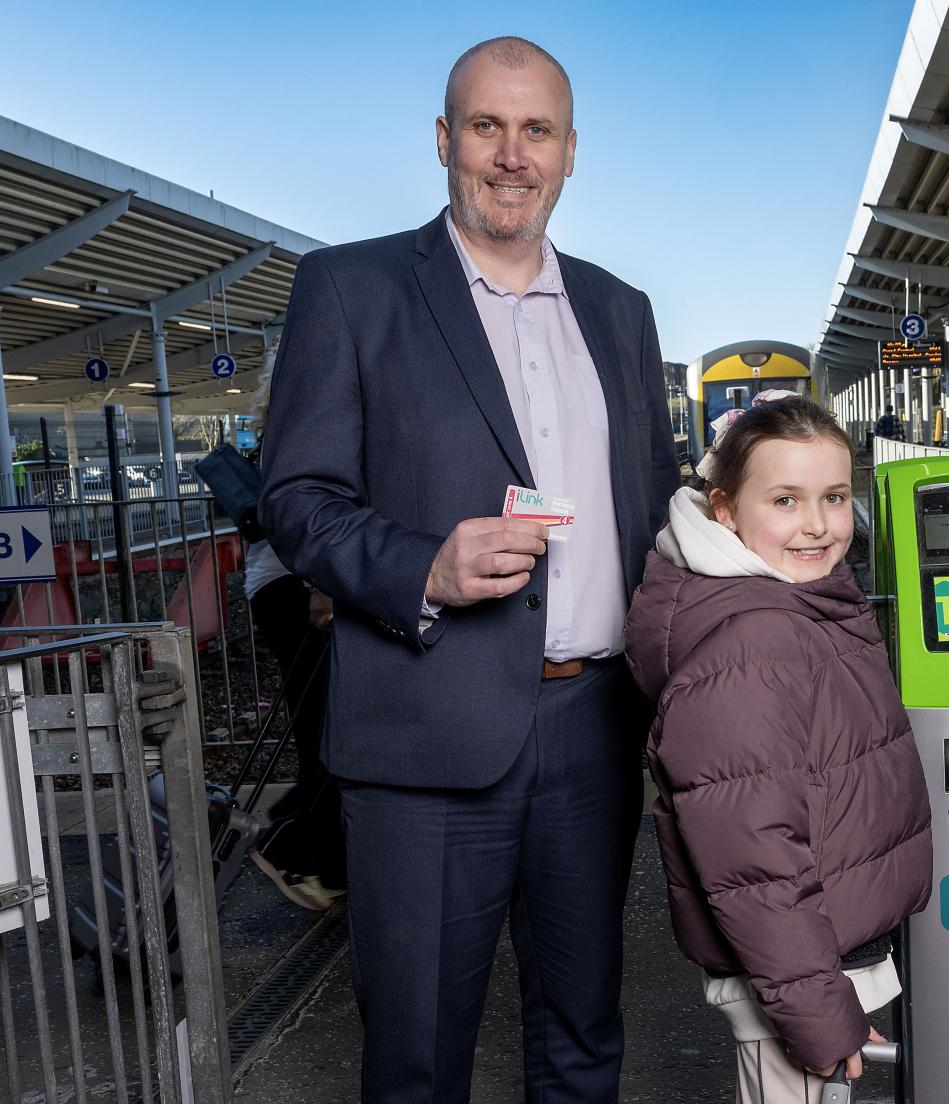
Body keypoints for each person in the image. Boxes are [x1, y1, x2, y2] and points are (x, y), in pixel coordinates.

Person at [258, 35, 679, 1103]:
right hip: (422, 734)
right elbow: (295, 498)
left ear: (570, 152)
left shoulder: (620, 313)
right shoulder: (348, 289)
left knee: (583, 1033)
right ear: (445, 140)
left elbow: (656, 510)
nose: (510, 154)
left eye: (535, 130)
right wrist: (424, 570)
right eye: (486, 127)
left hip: (592, 731)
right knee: (417, 1055)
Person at [625, 397, 932, 1103]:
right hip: (800, 975)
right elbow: (755, 861)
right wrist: (819, 1015)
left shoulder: (793, 607)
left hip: (820, 960)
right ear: (725, 510)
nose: (818, 524)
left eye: (833, 497)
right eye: (786, 500)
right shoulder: (755, 642)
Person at [243, 366, 345, 910]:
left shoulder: (283, 424)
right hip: (295, 586)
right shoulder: (302, 427)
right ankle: (297, 853)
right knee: (328, 721)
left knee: (323, 721)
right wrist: (320, 586)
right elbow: (306, 517)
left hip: (282, 584)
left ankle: (307, 841)